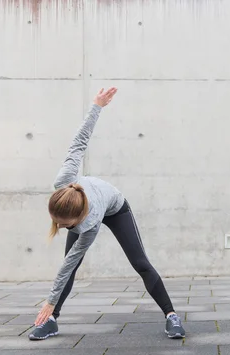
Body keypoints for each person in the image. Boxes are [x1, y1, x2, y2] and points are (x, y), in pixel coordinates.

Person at [29, 87, 185, 340]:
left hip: (115, 207)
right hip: (86, 202)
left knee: (140, 263)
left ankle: (171, 316)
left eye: (67, 226)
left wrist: (48, 300)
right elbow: (79, 141)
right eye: (59, 223)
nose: (62, 228)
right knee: (72, 264)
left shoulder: (88, 226)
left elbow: (67, 264)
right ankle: (52, 321)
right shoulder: (64, 180)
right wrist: (96, 105)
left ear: (78, 220)